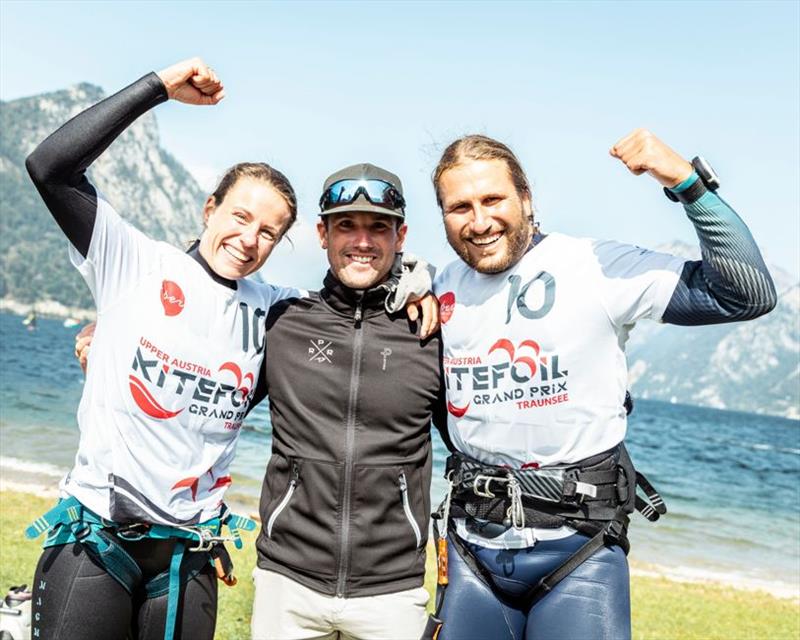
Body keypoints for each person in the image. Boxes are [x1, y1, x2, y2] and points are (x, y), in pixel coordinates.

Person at [76, 163, 449, 640]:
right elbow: (203, 387)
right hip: (286, 583)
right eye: (345, 226)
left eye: (378, 227)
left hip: (393, 589)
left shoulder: (431, 334)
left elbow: (468, 437)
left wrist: (427, 282)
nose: (362, 241)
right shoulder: (285, 319)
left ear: (402, 236)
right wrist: (115, 347)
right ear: (322, 233)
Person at [428, 131, 776, 639]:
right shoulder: (438, 286)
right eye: (460, 207)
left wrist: (686, 182)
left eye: (493, 199)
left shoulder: (595, 266)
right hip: (471, 554)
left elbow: (746, 293)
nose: (479, 221)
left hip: (578, 555)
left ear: (526, 199)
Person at [25, 58, 302, 640]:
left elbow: (356, 300)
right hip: (96, 541)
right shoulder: (135, 264)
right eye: (240, 216)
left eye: (269, 232)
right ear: (210, 209)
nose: (250, 239)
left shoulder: (277, 308)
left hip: (189, 557)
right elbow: (50, 168)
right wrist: (158, 88)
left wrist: (417, 278)